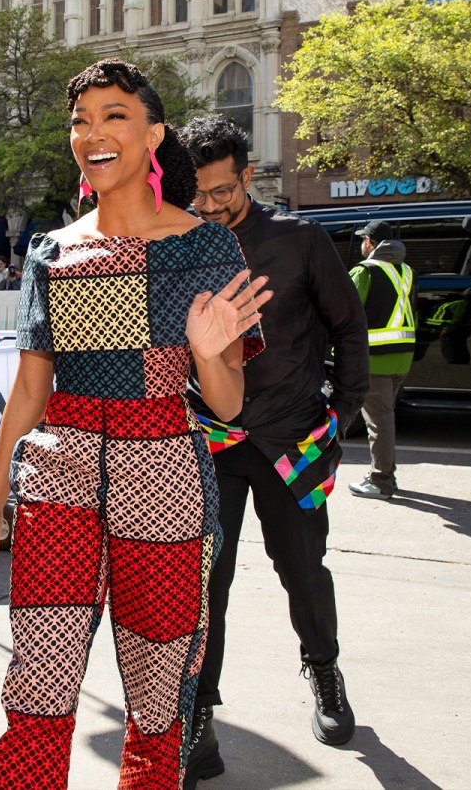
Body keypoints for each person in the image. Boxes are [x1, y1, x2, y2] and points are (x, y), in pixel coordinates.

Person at [0, 61, 269, 789]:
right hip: (59, 471)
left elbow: (229, 404)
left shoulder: (205, 246)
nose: (92, 134)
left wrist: (206, 354)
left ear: (153, 133)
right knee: (39, 678)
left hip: (165, 468)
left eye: (113, 116)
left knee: (158, 692)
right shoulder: (51, 252)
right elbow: (32, 388)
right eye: (80, 120)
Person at [176, 113, 369, 785]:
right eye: (197, 194)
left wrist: (341, 416)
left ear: (248, 175)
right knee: (205, 584)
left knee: (304, 571)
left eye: (222, 192)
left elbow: (350, 329)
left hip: (294, 438)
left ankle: (325, 674)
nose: (209, 206)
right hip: (213, 440)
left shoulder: (300, 240)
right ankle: (200, 712)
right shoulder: (183, 245)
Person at [347, 220, 415, 500]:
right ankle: (387, 473)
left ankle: (381, 480)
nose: (363, 243)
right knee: (385, 417)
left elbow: (345, 314)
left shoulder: (365, 271)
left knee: (379, 421)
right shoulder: (407, 270)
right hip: (402, 357)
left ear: (371, 243)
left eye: (364, 239)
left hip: (375, 357)